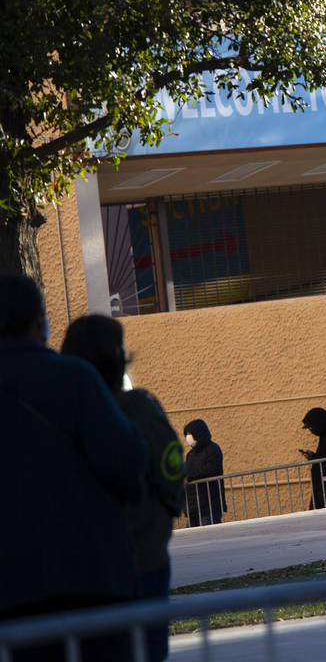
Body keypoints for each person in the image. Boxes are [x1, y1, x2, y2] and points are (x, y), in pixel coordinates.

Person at [0, 272, 147, 661]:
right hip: (93, 578)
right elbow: (126, 466)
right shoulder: (74, 378)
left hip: (13, 594)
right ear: (39, 322)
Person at [60, 315, 185, 662]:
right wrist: (164, 514)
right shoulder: (139, 409)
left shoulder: (62, 415)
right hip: (143, 559)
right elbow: (172, 469)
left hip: (85, 570)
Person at [183, 418, 226, 526]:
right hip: (193, 506)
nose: (188, 437)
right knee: (192, 539)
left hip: (209, 505)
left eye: (190, 434)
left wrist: (190, 477)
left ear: (198, 433)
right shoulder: (190, 454)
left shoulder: (213, 449)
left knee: (210, 537)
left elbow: (211, 469)